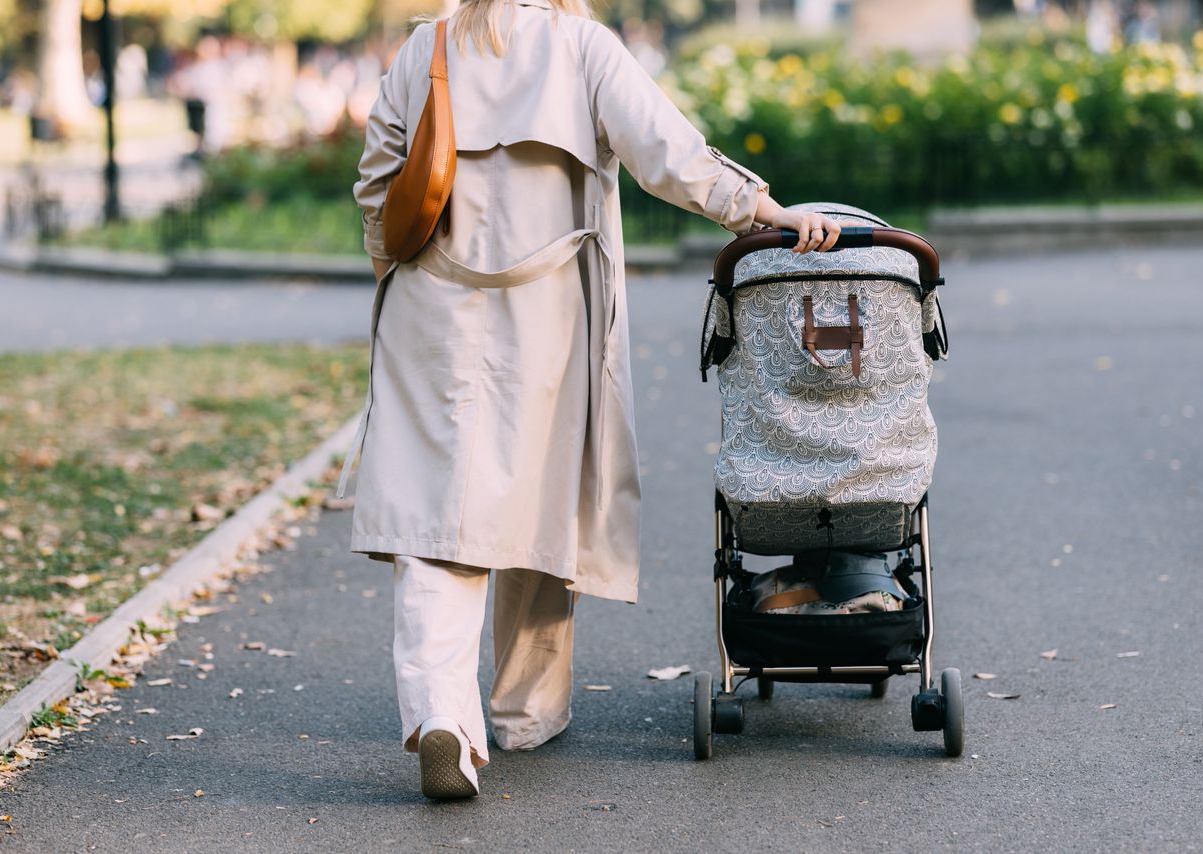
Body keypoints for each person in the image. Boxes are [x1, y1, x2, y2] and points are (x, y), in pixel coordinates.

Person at [342, 0, 842, 800]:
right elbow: (669, 154)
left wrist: (392, 274)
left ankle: (444, 717)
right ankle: (524, 712)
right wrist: (763, 209)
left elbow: (377, 187)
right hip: (544, 313)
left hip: (430, 312)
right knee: (540, 506)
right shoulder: (582, 48)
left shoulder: (422, 50)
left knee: (438, 524)